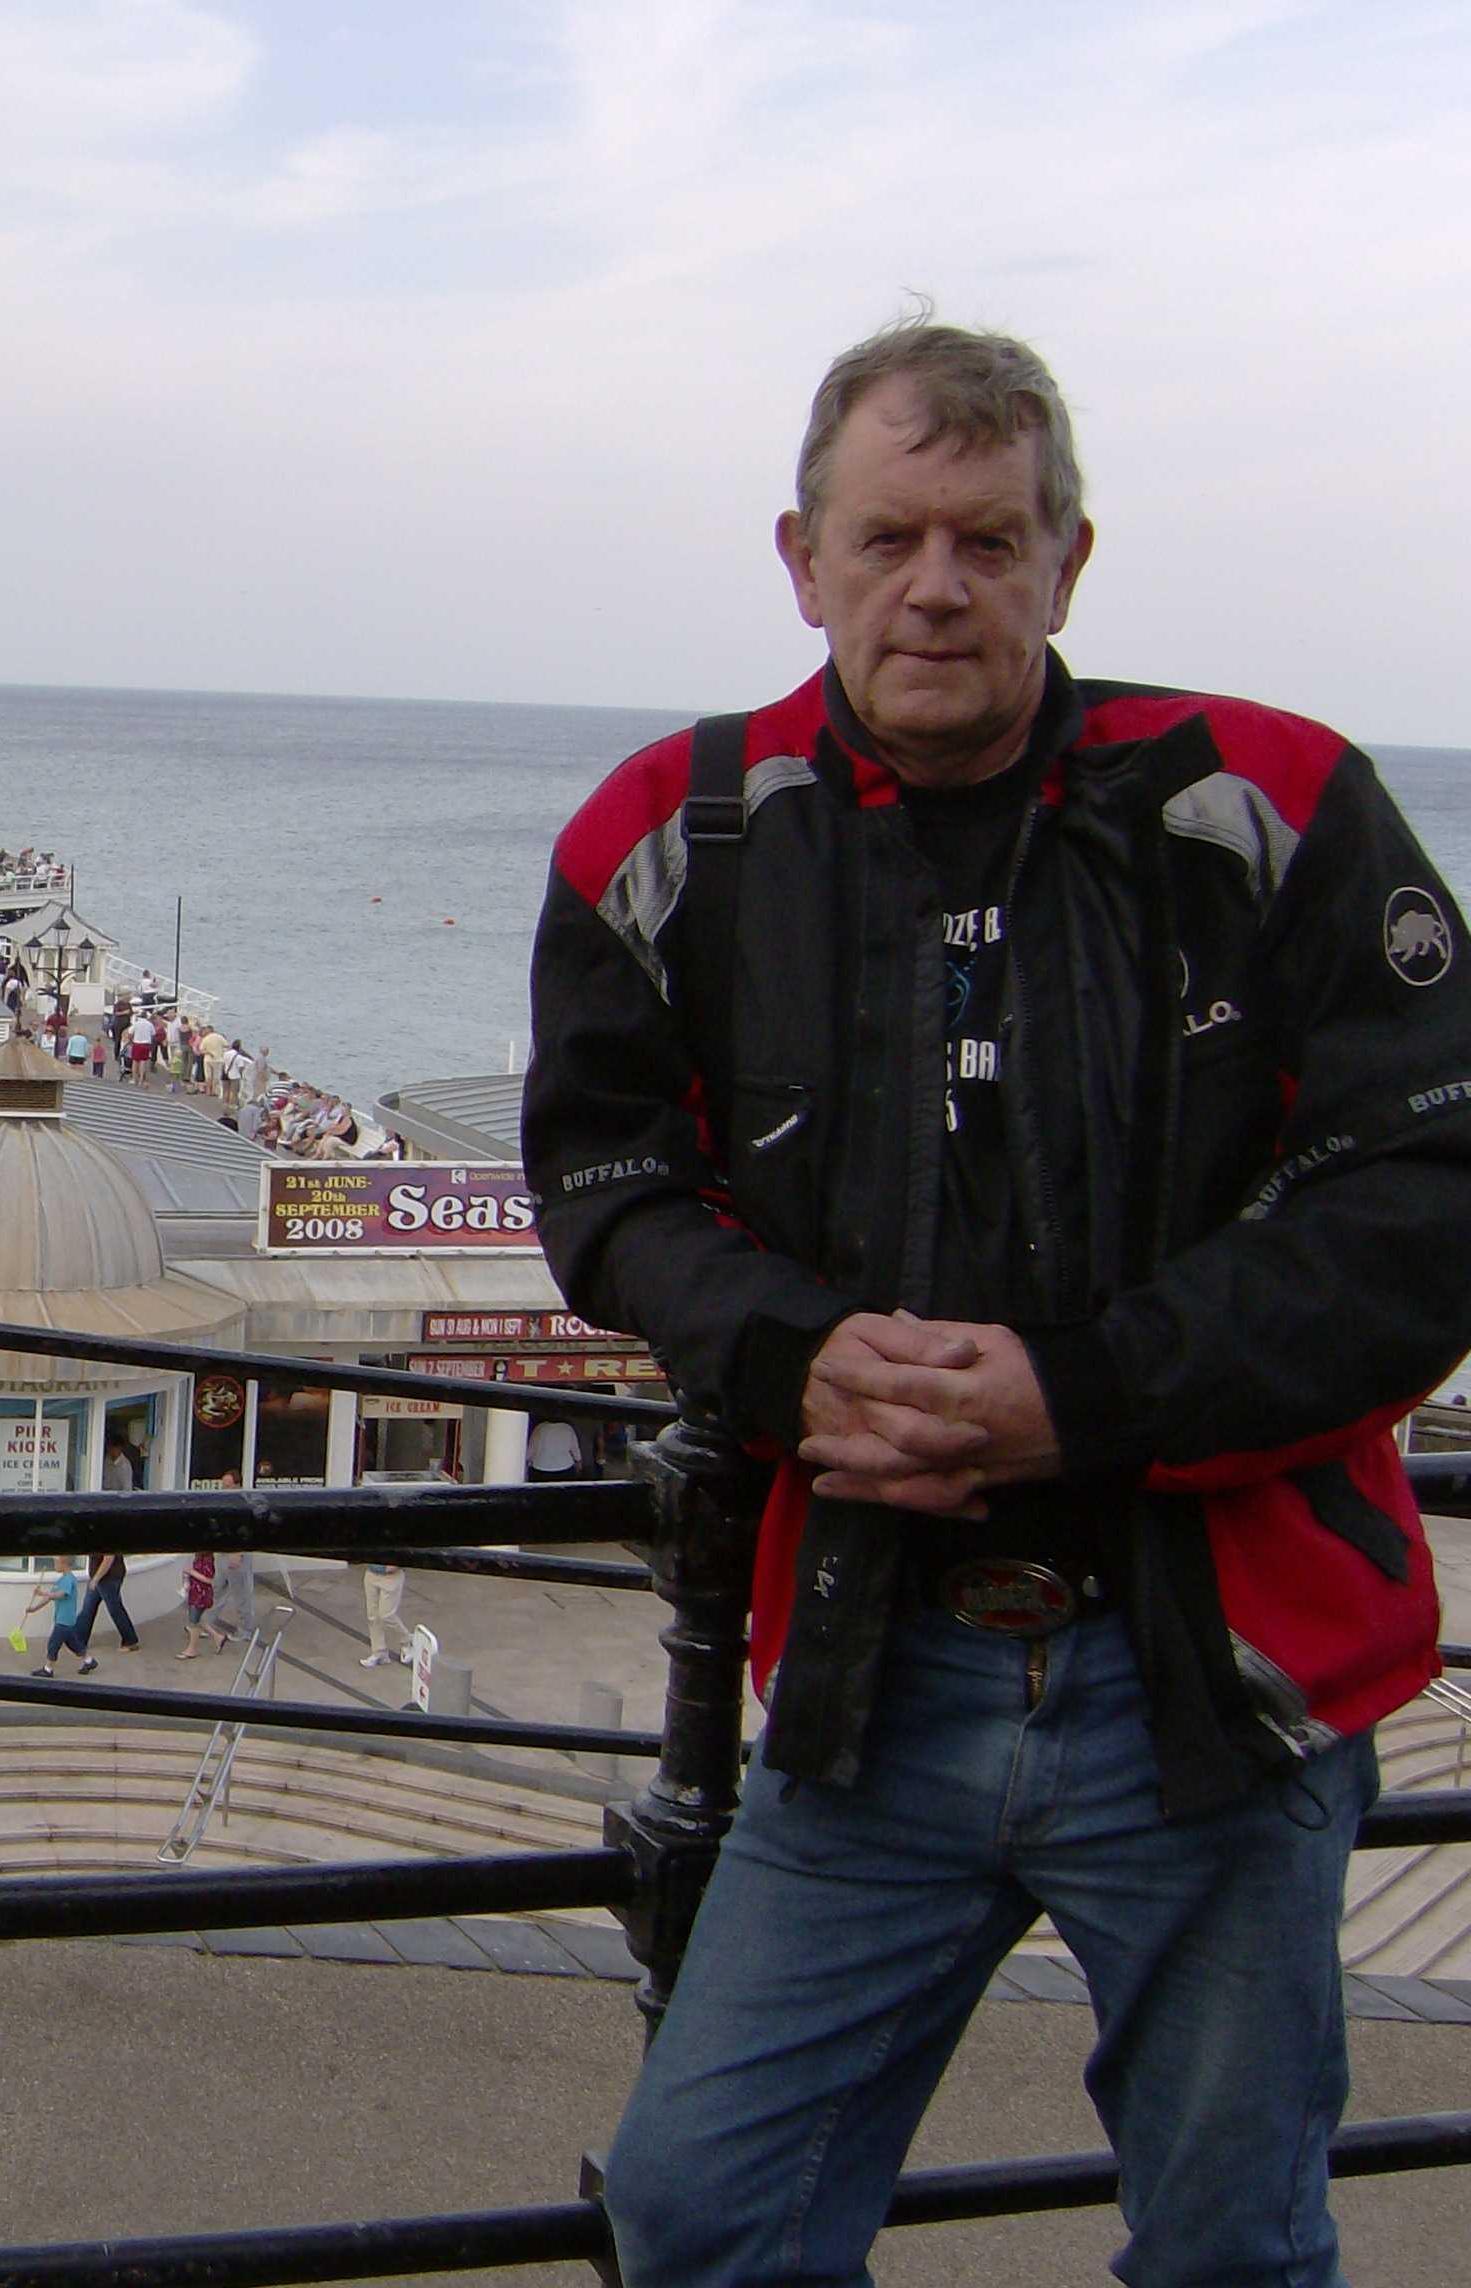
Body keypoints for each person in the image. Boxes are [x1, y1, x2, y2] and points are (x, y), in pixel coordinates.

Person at [524, 315, 1471, 2287]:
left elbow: (1429, 1205)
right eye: (885, 539)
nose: (933, 586)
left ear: (1066, 557)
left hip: (1219, 1687)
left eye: (984, 538)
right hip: (870, 1676)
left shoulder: (1269, 806)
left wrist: (1086, 1394)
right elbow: (604, 1188)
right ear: (800, 557)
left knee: (1226, 2247)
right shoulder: (661, 844)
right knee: (699, 2215)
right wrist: (785, 1356)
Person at [23, 1556, 95, 1677]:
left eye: (55, 1562)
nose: (54, 1565)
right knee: (74, 1644)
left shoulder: (68, 1579)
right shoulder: (61, 1580)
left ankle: (48, 1669)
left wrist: (43, 1593)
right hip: (64, 1619)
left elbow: (61, 1594)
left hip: (64, 1620)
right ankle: (89, 1661)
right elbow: (50, 1597)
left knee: (53, 1644)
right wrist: (34, 1608)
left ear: (63, 1564)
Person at [76, 1549, 140, 1655]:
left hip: (108, 1578)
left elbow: (108, 1558)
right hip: (99, 1577)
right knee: (88, 1608)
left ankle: (130, 1641)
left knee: (115, 1609)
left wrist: (96, 1579)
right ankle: (78, 1640)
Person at [358, 1560, 411, 1669]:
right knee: (372, 1617)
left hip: (391, 1576)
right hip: (371, 1573)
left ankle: (408, 1641)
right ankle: (379, 1652)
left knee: (386, 1615)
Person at [175, 1551, 227, 1659]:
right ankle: (217, 1637)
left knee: (194, 1622)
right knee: (197, 1620)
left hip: (201, 1595)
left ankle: (192, 1649)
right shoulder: (199, 1557)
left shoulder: (207, 1559)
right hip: (196, 1592)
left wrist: (191, 1572)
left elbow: (209, 1579)